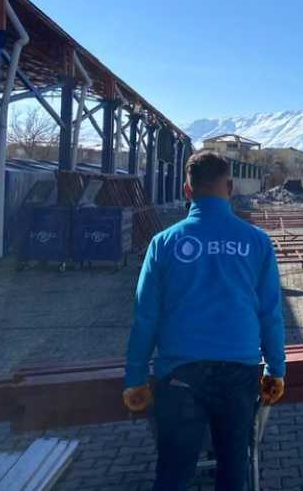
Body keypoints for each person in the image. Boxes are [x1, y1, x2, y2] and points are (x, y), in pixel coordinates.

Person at [122, 150, 285, 491]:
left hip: (179, 373)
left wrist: (136, 377)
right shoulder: (257, 242)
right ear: (229, 187)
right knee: (233, 469)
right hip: (239, 371)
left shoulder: (163, 243)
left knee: (174, 472)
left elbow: (145, 317)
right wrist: (275, 370)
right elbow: (270, 313)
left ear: (187, 190)